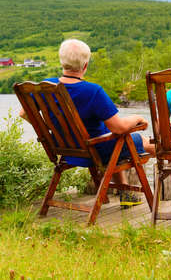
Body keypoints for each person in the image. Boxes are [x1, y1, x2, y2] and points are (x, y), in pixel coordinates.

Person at [19, 39, 154, 208]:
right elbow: (119, 127)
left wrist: (46, 130)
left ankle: (125, 193)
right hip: (94, 150)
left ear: (62, 61)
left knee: (115, 139)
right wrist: (137, 118)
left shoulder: (45, 86)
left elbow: (24, 113)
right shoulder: (93, 91)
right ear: (85, 65)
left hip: (65, 149)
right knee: (141, 141)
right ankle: (170, 160)